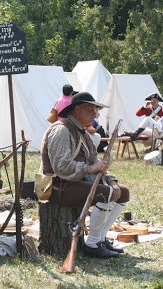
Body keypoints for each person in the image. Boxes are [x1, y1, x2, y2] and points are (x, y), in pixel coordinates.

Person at [40, 92, 130, 258]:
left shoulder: (82, 132)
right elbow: (62, 167)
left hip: (74, 182)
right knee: (107, 194)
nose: (94, 114)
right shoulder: (61, 130)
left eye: (95, 110)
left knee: (122, 192)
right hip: (57, 186)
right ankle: (93, 244)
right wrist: (90, 169)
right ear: (77, 110)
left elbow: (96, 162)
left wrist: (111, 180)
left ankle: (101, 239)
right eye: (90, 110)